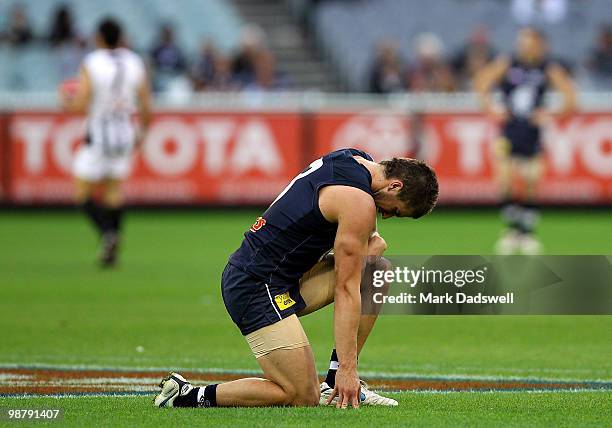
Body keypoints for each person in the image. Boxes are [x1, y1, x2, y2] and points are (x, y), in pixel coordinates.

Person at [154, 148, 438, 408]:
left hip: (282, 279)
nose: (386, 215)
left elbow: (373, 246)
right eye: (394, 210)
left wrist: (368, 248)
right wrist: (349, 370)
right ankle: (185, 395)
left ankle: (330, 384)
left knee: (376, 270)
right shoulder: (358, 201)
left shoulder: (353, 159)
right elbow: (347, 289)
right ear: (395, 185)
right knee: (302, 396)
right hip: (255, 285)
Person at [475, 27, 576, 254]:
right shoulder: (507, 62)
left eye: (528, 41)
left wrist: (550, 114)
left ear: (539, 44)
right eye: (521, 41)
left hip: (532, 132)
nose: (523, 45)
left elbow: (570, 97)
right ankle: (512, 231)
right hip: (509, 130)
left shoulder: (547, 67)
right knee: (505, 179)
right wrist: (490, 108)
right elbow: (482, 82)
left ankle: (527, 232)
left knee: (531, 181)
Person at [60, 18, 152, 266]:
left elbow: (80, 103)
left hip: (99, 134)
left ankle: (107, 233)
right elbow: (145, 104)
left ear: (99, 38)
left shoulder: (92, 62)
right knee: (113, 190)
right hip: (124, 134)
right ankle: (112, 244)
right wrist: (141, 134)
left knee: (82, 193)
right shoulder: (134, 61)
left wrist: (65, 100)